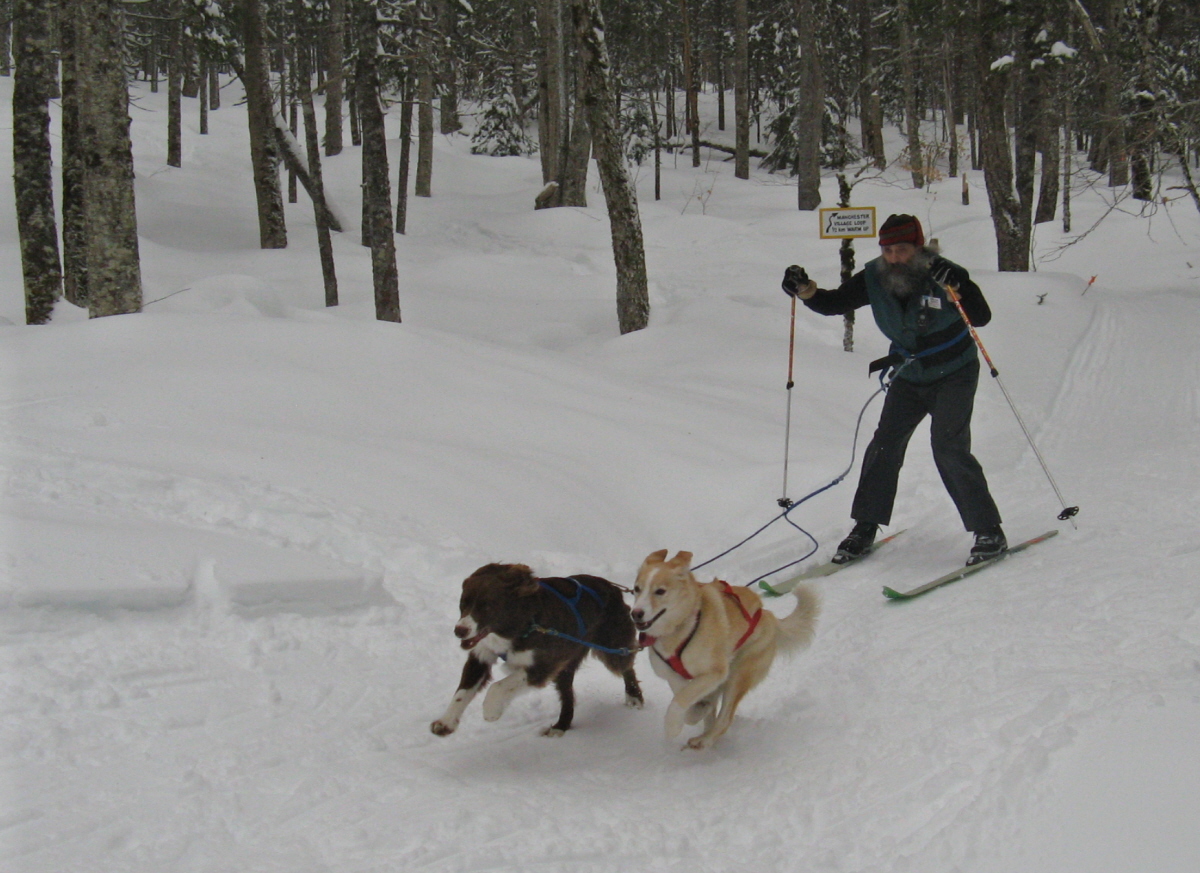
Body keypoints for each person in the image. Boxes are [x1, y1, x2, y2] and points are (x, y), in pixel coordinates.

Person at [781, 213, 1005, 566]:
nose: (894, 257)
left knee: (948, 445)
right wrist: (804, 289)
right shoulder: (875, 275)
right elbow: (834, 303)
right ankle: (865, 526)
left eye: (901, 249)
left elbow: (981, 317)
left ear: (917, 247)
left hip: (954, 372)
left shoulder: (943, 272)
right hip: (909, 374)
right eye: (887, 250)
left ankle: (988, 529)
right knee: (884, 444)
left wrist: (959, 287)